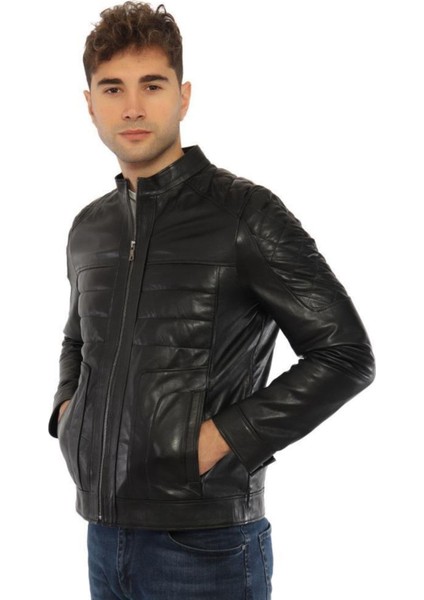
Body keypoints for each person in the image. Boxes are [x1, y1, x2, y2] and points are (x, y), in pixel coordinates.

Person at [48, 2, 376, 598]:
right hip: (102, 534)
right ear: (90, 104)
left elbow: (346, 354)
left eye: (152, 85)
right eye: (113, 88)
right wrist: (69, 416)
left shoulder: (245, 213)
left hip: (204, 544)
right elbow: (77, 338)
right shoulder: (89, 227)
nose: (133, 107)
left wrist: (220, 441)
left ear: (183, 97)